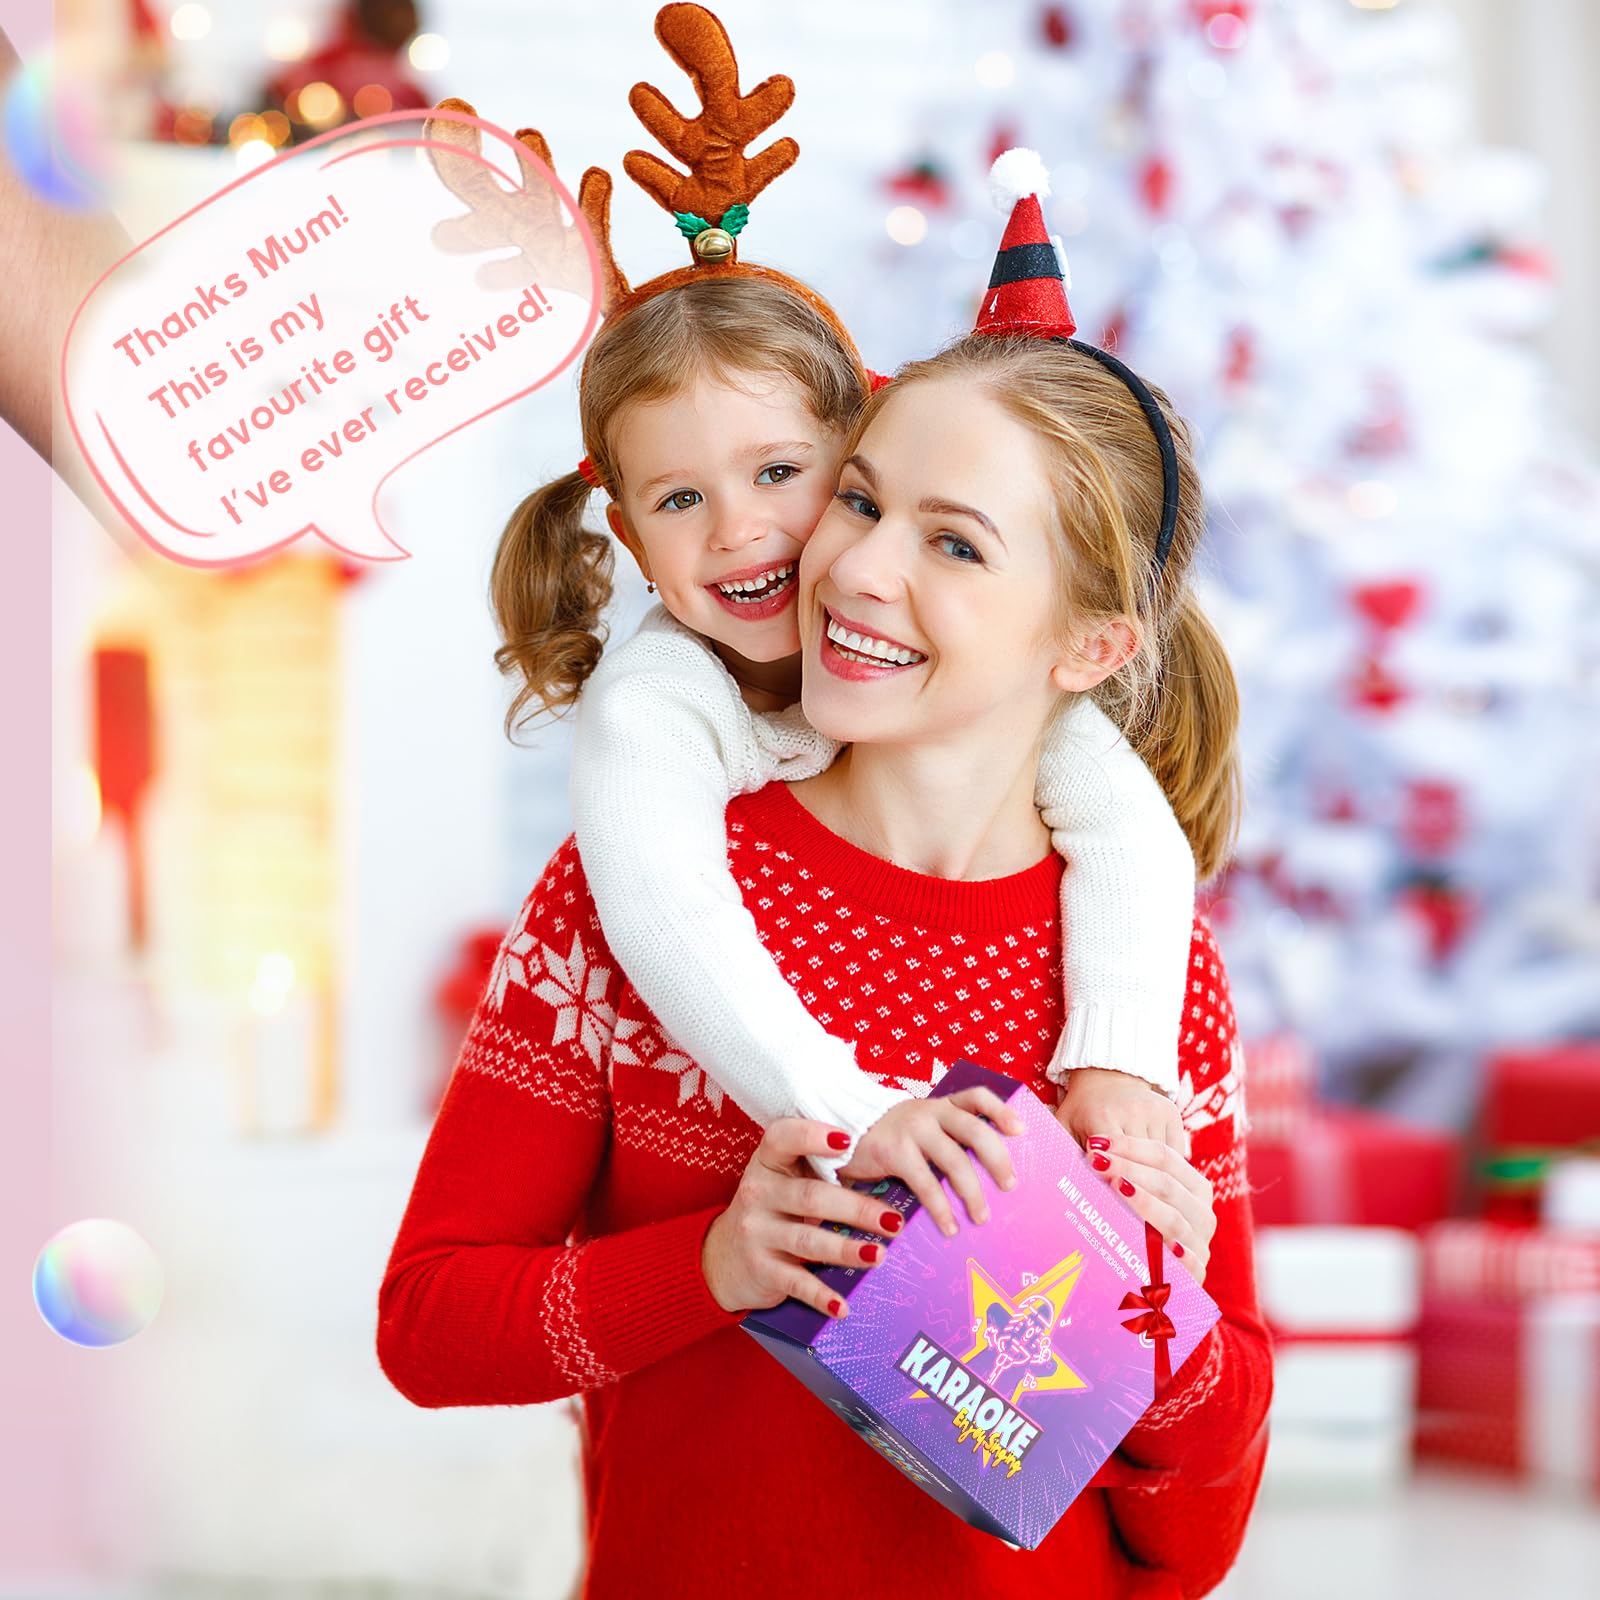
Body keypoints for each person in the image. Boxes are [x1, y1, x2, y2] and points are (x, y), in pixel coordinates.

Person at [377, 146, 1271, 1598]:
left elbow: (1193, 1539)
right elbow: (430, 1329)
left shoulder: (1150, 979)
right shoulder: (619, 898)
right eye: (858, 500)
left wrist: (1153, 1313)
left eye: (955, 544)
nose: (853, 570)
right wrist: (715, 1269)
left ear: (1090, 647)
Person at [484, 4, 1197, 1197]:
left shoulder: (1079, 832)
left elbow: (1134, 837)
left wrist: (1121, 1067)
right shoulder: (659, 706)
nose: (742, 531)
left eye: (784, 476)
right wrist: (846, 1114)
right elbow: (667, 909)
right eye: (677, 501)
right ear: (628, 537)